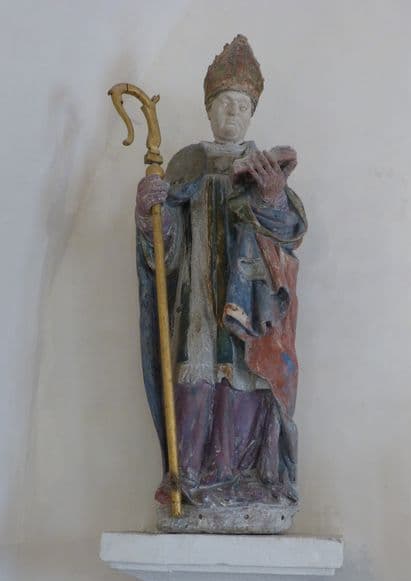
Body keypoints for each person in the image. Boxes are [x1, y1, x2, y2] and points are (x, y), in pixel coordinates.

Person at [135, 35, 307, 514]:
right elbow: (164, 252)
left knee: (247, 379)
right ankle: (192, 481)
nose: (232, 113)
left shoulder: (265, 170)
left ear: (252, 114)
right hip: (195, 302)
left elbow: (289, 233)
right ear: (209, 109)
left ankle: (250, 478)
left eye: (242, 106)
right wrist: (150, 213)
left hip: (249, 307)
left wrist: (271, 198)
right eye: (224, 104)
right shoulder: (185, 166)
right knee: (197, 377)